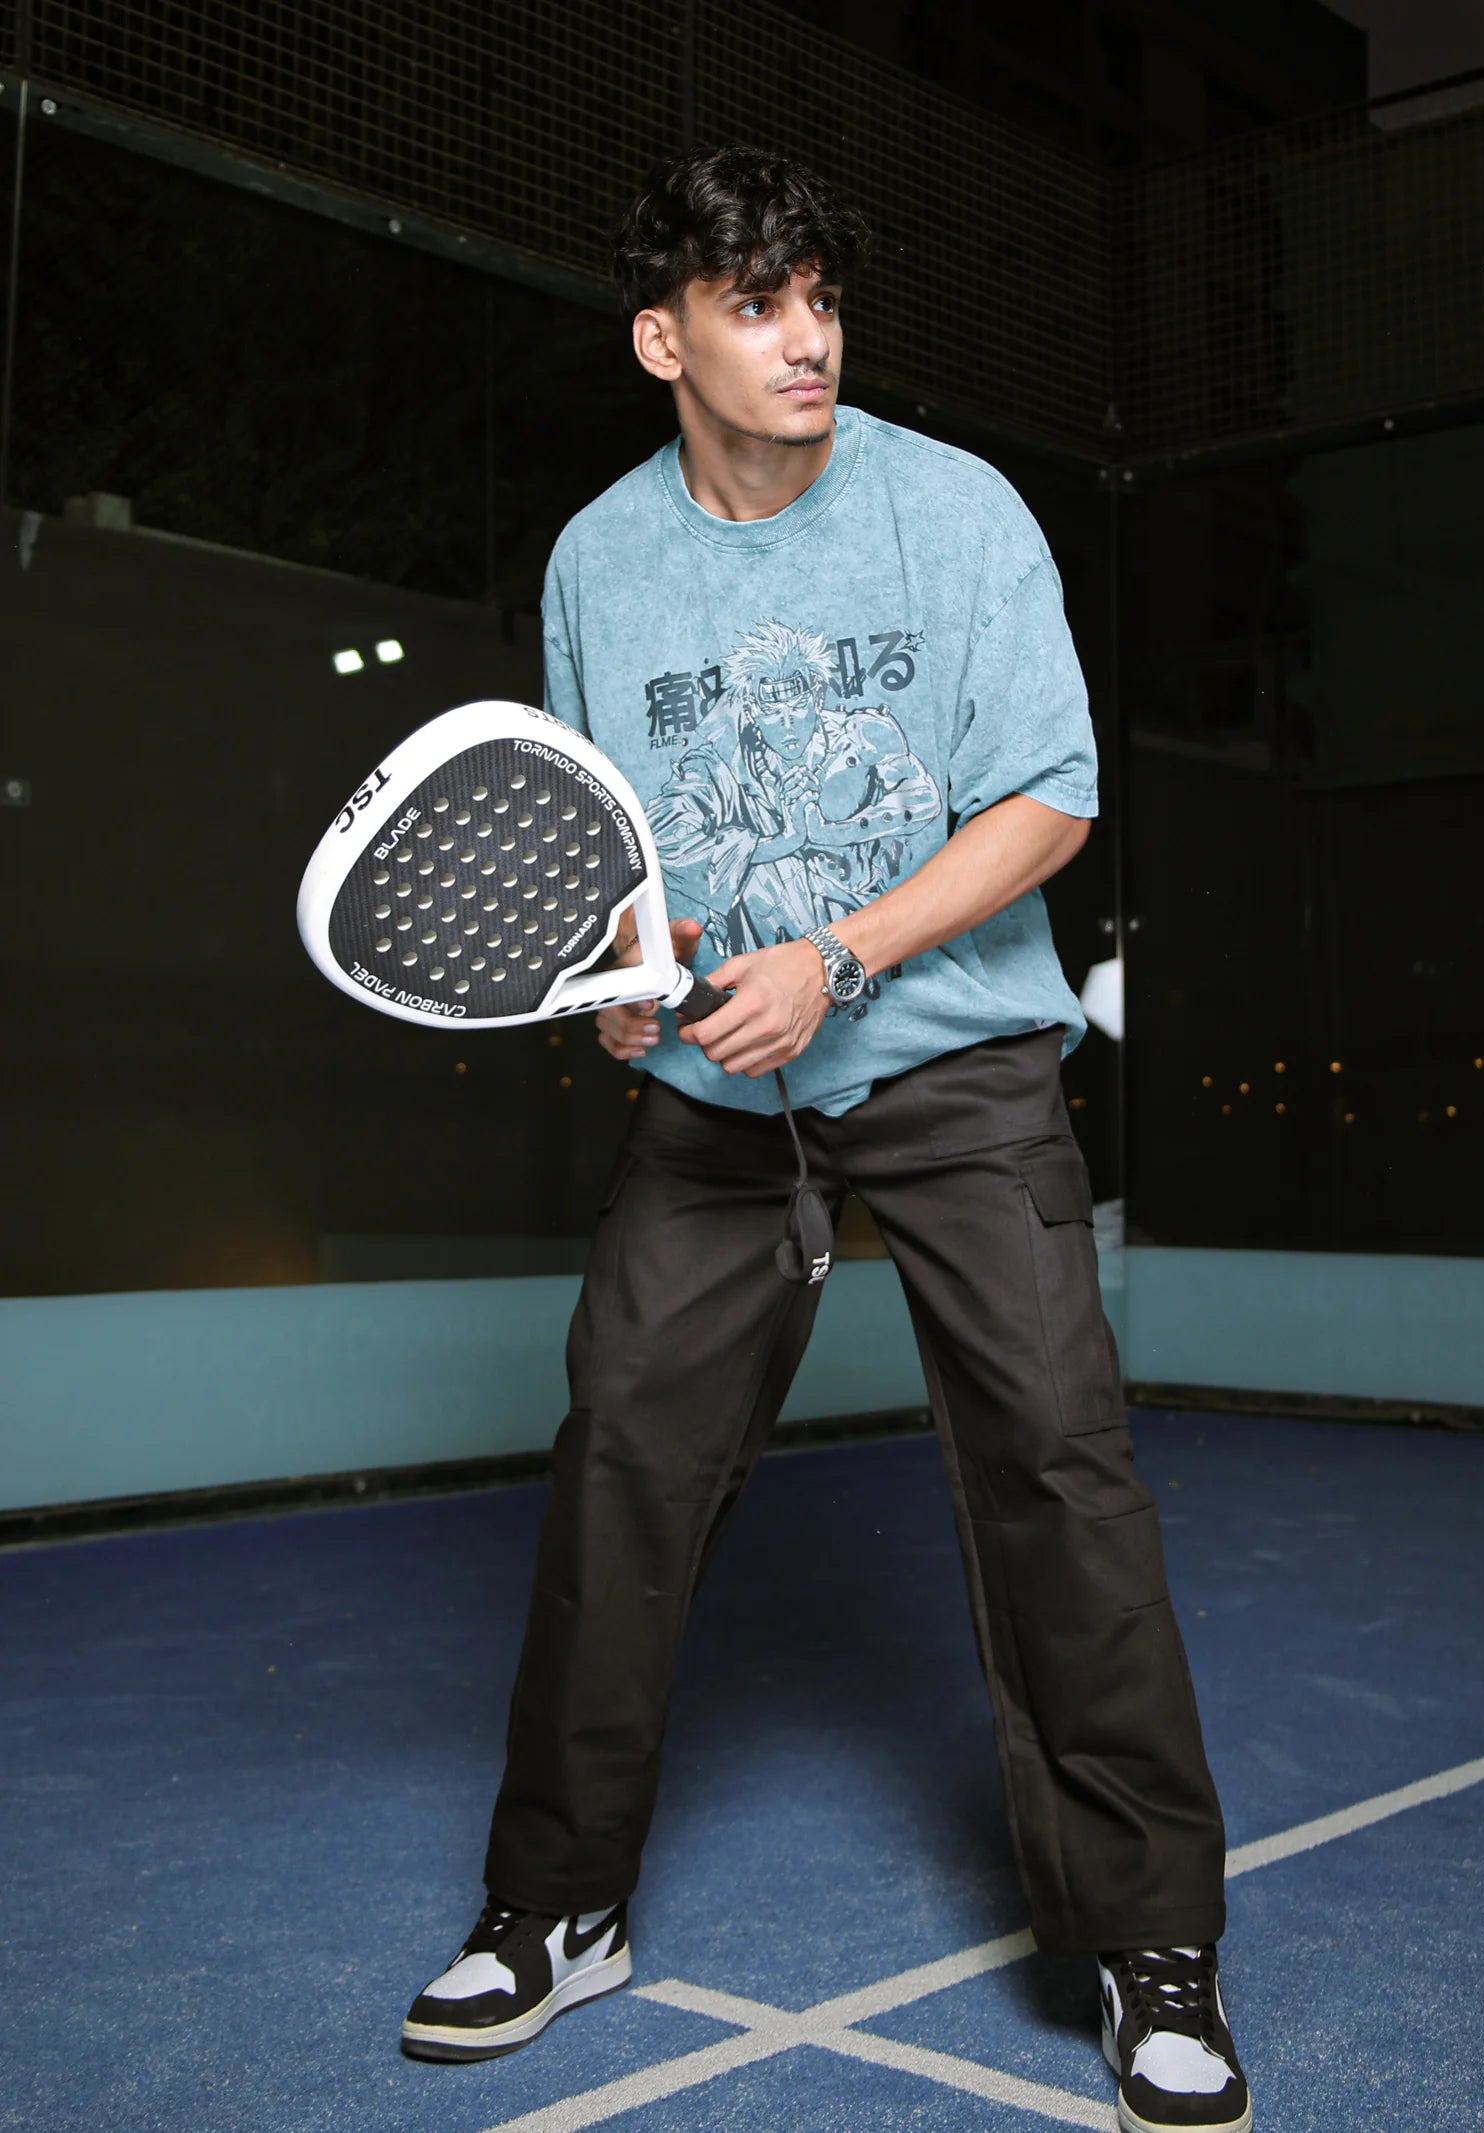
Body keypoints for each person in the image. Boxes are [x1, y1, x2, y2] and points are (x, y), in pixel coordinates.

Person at [401, 145, 1251, 2133]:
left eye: (819, 300)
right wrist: (623, 980)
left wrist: (839, 953)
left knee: (1054, 1450)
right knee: (619, 1444)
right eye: (754, 303)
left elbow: (1045, 795)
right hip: (711, 1089)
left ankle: (1150, 1940)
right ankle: (555, 1900)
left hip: (949, 1062)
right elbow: (601, 835)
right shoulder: (602, 562)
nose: (803, 340)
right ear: (660, 337)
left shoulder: (950, 515)